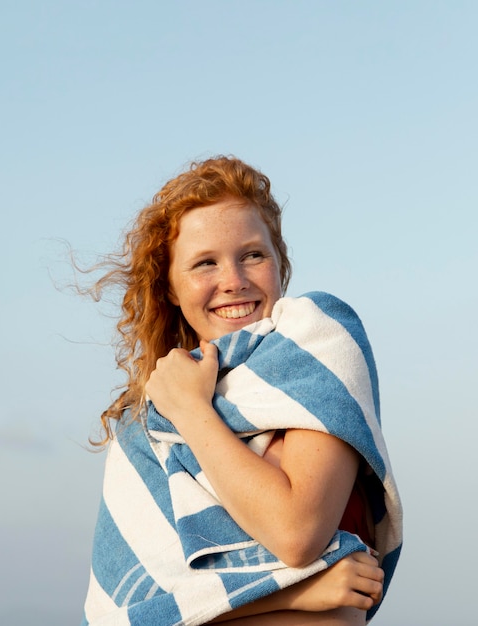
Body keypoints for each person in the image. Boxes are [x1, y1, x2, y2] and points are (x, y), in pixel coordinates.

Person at [80, 156, 402, 626]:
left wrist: (193, 412)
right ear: (169, 288)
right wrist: (292, 593)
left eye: (253, 255)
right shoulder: (147, 423)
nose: (233, 281)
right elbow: (130, 615)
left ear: (279, 263)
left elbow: (297, 533)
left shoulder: (317, 348)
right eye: (204, 263)